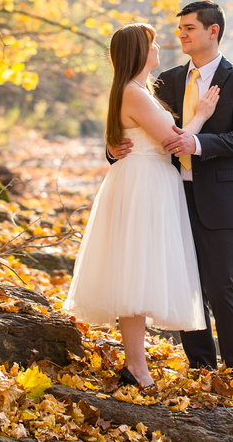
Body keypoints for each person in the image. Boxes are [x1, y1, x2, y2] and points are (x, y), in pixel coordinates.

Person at [109, 0, 233, 380]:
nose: (181, 34)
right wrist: (111, 149)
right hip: (168, 195)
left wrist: (198, 144)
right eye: (180, 29)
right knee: (184, 282)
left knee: (221, 286)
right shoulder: (167, 79)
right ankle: (200, 369)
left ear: (213, 31)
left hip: (219, 197)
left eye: (189, 28)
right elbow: (134, 124)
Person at [64, 23, 220, 390]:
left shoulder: (137, 91)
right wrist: (202, 114)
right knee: (135, 273)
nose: (159, 46)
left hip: (147, 182)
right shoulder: (133, 94)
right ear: (138, 51)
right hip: (144, 185)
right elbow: (171, 142)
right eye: (152, 43)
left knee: (136, 276)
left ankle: (136, 366)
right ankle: (136, 367)